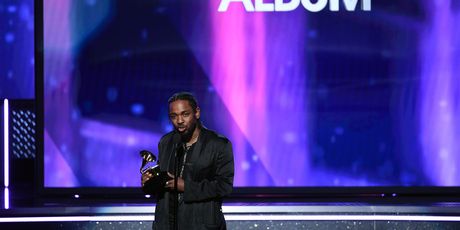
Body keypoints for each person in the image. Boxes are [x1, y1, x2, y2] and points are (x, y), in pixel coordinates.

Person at [142, 92, 234, 230]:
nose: (179, 121)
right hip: (167, 224)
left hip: (201, 225)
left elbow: (224, 187)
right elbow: (164, 183)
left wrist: (186, 186)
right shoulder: (166, 142)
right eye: (174, 116)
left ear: (196, 112)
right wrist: (151, 182)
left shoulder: (219, 144)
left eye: (185, 114)